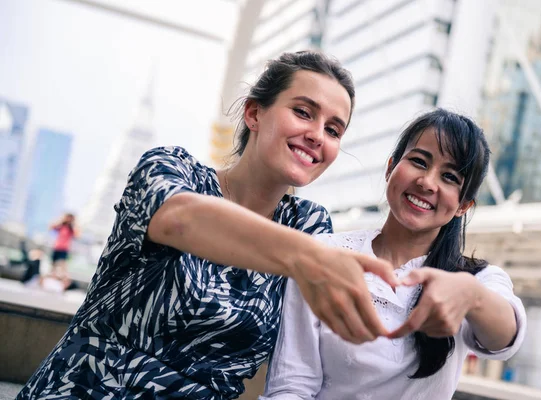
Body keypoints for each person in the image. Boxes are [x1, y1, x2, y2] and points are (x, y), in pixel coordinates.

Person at [18, 51, 400, 399]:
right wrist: (305, 256)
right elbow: (180, 219)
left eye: (334, 130)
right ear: (254, 114)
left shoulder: (309, 224)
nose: (318, 135)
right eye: (303, 112)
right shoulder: (170, 168)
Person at [262, 109, 527, 400]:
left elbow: (506, 339)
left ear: (464, 206)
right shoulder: (324, 253)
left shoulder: (477, 279)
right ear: (390, 168)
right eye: (418, 161)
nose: (427, 182)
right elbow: (291, 385)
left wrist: (471, 296)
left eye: (449, 176)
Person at [39, 213, 79, 291]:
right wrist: (61, 220)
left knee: (62, 267)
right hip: (56, 248)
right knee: (52, 266)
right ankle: (49, 283)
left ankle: (64, 285)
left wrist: (74, 223)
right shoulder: (61, 226)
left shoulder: (71, 229)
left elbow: (78, 235)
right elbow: (51, 227)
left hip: (64, 250)